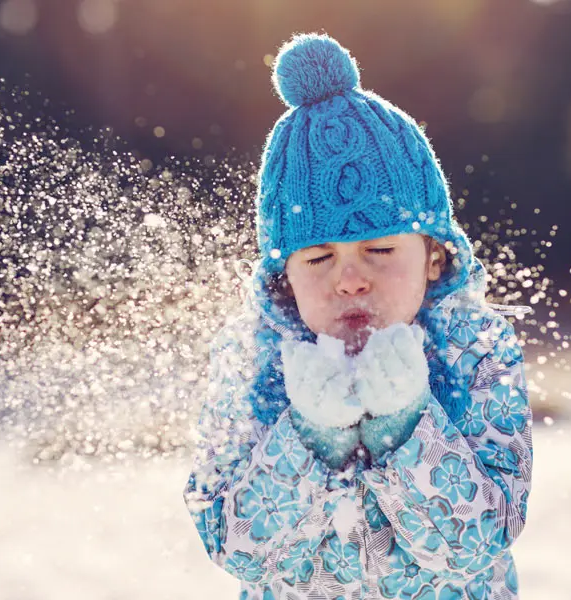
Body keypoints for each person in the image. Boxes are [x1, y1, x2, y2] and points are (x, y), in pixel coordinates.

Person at [183, 32, 532, 600]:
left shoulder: (476, 350)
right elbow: (235, 549)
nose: (349, 278)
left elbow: (478, 544)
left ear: (434, 255)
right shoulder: (253, 361)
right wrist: (310, 436)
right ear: (283, 278)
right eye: (319, 258)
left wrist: (406, 425)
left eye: (381, 250)